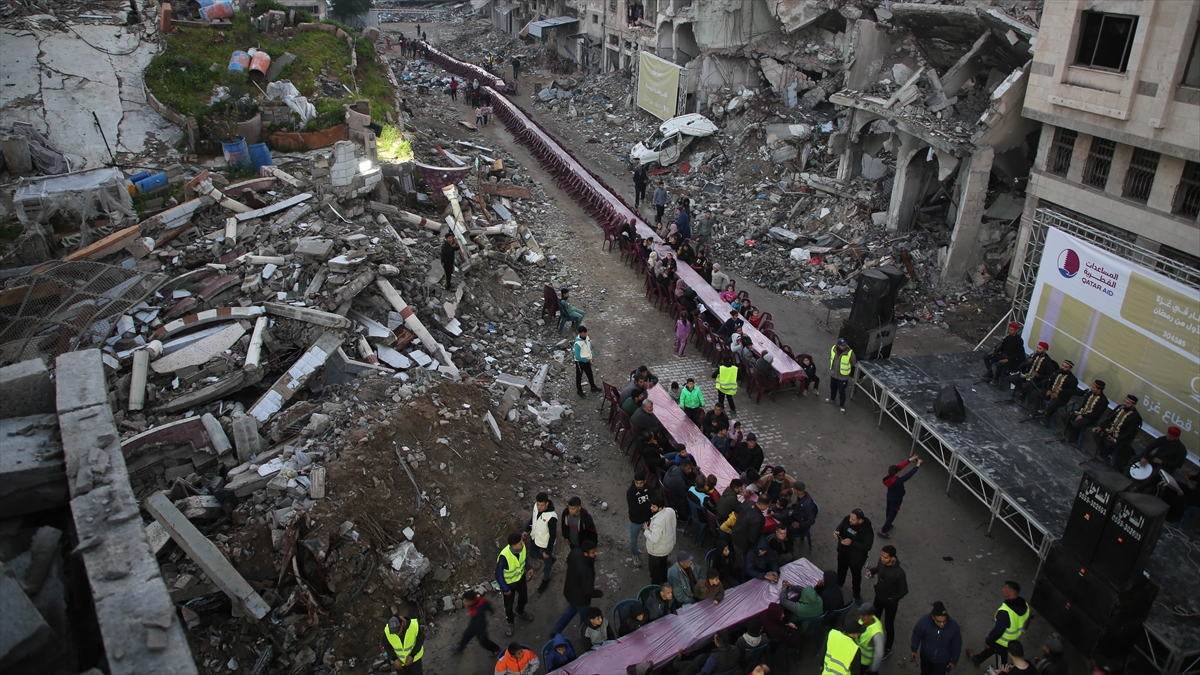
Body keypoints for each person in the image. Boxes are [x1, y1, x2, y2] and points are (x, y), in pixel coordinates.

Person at [967, 581, 1031, 667]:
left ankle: (1002, 670)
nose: (1002, 590)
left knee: (1001, 659)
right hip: (1012, 639)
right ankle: (977, 660)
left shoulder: (1005, 612)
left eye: (1005, 589)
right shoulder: (1025, 606)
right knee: (992, 650)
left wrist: (988, 641)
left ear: (1011, 593)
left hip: (1001, 641)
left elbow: (998, 630)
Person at [551, 540, 603, 634]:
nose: (596, 553)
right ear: (585, 554)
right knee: (585, 619)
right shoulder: (586, 570)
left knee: (570, 610)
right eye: (593, 552)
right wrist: (599, 593)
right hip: (581, 600)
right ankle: (584, 636)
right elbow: (588, 591)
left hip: (570, 591)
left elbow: (568, 562)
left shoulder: (575, 552)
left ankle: (556, 630)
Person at [867, 545, 908, 659]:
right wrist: (872, 571)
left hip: (890, 603)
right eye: (882, 556)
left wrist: (891, 598)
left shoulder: (899, 573)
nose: (882, 559)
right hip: (879, 597)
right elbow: (878, 568)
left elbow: (904, 590)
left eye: (885, 557)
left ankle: (888, 648)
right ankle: (872, 637)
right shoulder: (882, 562)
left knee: (889, 625)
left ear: (892, 558)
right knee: (875, 619)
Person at [496, 532, 534, 637]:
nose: (522, 543)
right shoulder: (504, 557)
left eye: (521, 541)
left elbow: (524, 558)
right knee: (508, 606)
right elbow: (498, 574)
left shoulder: (522, 547)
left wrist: (529, 568)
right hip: (509, 585)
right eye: (520, 543)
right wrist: (505, 588)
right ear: (513, 546)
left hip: (520, 578)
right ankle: (510, 622)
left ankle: (520, 611)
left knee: (524, 598)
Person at [910, 601, 962, 675]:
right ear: (933, 617)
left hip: (942, 661)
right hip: (926, 657)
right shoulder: (924, 621)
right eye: (939, 621)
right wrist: (914, 649)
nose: (942, 624)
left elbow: (957, 645)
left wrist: (954, 661)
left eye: (944, 621)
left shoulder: (954, 627)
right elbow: (916, 634)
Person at [835, 508, 874, 603]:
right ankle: (839, 586)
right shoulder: (847, 519)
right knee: (841, 571)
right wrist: (837, 532)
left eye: (853, 520)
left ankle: (856, 594)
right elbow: (840, 527)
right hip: (843, 553)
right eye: (850, 518)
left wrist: (852, 543)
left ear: (860, 520)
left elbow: (867, 546)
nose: (850, 520)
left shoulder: (867, 529)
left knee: (856, 577)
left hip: (856, 558)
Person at [1092, 395, 1143, 467]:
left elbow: (1129, 434)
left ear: (1134, 405)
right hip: (1110, 430)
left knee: (1109, 443)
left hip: (1120, 437)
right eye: (1125, 401)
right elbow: (1109, 418)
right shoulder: (1120, 408)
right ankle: (1104, 453)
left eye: (1128, 403)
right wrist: (1100, 426)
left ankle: (1105, 454)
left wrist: (1116, 439)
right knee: (1096, 433)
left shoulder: (1136, 417)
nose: (1125, 404)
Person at [1131, 426, 1187, 491]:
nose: (1168, 438)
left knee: (1156, 473)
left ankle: (1139, 488)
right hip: (1155, 459)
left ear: (1176, 437)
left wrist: (1162, 462)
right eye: (1168, 436)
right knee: (1135, 458)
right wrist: (1144, 457)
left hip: (1166, 466)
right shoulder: (1163, 439)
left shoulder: (1181, 449)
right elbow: (1150, 447)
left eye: (1171, 437)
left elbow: (1178, 464)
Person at [879, 455, 922, 538]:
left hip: (890, 496)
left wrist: (910, 460)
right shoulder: (898, 482)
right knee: (892, 514)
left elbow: (899, 467)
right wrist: (917, 466)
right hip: (896, 499)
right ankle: (884, 530)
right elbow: (908, 475)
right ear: (896, 474)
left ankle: (888, 523)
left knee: (888, 509)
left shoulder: (889, 477)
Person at [524, 493, 558, 594]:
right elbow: (533, 519)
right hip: (535, 537)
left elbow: (553, 535)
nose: (539, 507)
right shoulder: (536, 507)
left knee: (547, 563)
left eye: (541, 505)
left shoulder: (551, 517)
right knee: (532, 554)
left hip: (545, 544)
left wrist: (547, 551)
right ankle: (551, 559)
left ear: (547, 504)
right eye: (538, 504)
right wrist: (527, 529)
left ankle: (545, 579)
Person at [672, 631, 741, 675]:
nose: (713, 640)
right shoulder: (736, 649)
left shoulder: (713, 659)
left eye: (714, 639)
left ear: (718, 644)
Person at [732, 496, 770, 576]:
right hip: (741, 543)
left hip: (735, 532)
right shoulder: (759, 519)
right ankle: (738, 574)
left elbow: (736, 512)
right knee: (739, 561)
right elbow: (753, 538)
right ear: (764, 505)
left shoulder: (748, 503)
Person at [454, 590, 500, 655]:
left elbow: (487, 606)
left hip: (479, 625)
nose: (465, 603)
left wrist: (482, 634)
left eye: (467, 601)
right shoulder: (480, 601)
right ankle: (460, 647)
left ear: (472, 601)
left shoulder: (478, 611)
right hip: (473, 623)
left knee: (484, 641)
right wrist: (492, 612)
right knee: (466, 635)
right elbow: (487, 604)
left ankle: (496, 649)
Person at [645, 497, 677, 584]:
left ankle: (655, 586)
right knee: (663, 564)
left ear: (660, 508)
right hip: (668, 546)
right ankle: (664, 580)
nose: (651, 508)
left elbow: (654, 539)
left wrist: (646, 530)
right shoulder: (670, 511)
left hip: (656, 551)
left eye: (654, 507)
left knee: (654, 570)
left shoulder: (657, 521)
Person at [627, 471, 655, 567]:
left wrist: (644, 506)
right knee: (633, 539)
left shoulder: (650, 489)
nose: (638, 485)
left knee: (652, 537)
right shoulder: (630, 492)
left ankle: (654, 554)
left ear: (645, 481)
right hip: (636, 521)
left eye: (641, 483)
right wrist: (647, 504)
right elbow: (634, 510)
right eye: (636, 483)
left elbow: (654, 501)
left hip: (648, 519)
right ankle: (635, 554)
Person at [827, 338, 856, 412]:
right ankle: (832, 399)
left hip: (843, 376)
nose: (844, 347)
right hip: (833, 374)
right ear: (838, 345)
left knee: (842, 391)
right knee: (833, 387)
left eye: (845, 345)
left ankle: (842, 405)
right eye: (842, 346)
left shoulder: (850, 353)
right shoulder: (833, 349)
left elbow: (853, 363)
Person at [857, 604, 885, 674]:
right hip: (858, 658)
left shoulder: (876, 634)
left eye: (864, 615)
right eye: (861, 614)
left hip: (865, 662)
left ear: (871, 616)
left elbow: (879, 653)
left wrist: (873, 669)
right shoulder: (864, 621)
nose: (861, 617)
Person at [573, 326, 600, 397]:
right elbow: (577, 356)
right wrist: (585, 360)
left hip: (587, 360)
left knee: (589, 374)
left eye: (586, 332)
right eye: (584, 333)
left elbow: (590, 347)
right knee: (579, 376)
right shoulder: (578, 344)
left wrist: (592, 355)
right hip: (580, 362)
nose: (586, 334)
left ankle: (593, 386)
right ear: (580, 333)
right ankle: (579, 390)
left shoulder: (587, 338)